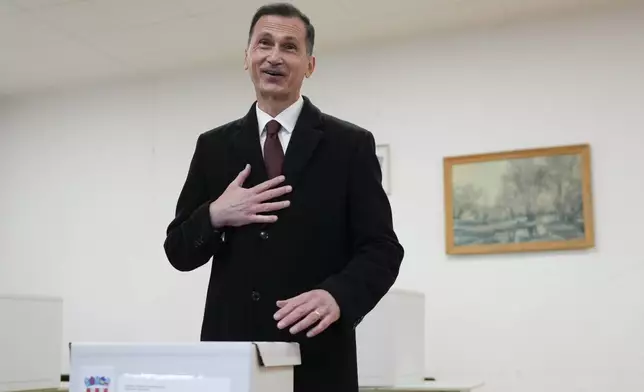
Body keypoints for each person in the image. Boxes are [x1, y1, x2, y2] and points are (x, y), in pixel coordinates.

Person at [163, 3, 404, 391]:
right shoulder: (212, 147)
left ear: (309, 64)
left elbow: (382, 249)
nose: (275, 56)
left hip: (317, 359)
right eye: (264, 43)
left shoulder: (350, 145)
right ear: (247, 58)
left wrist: (337, 295)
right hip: (231, 359)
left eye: (290, 47)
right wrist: (215, 215)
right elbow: (177, 249)